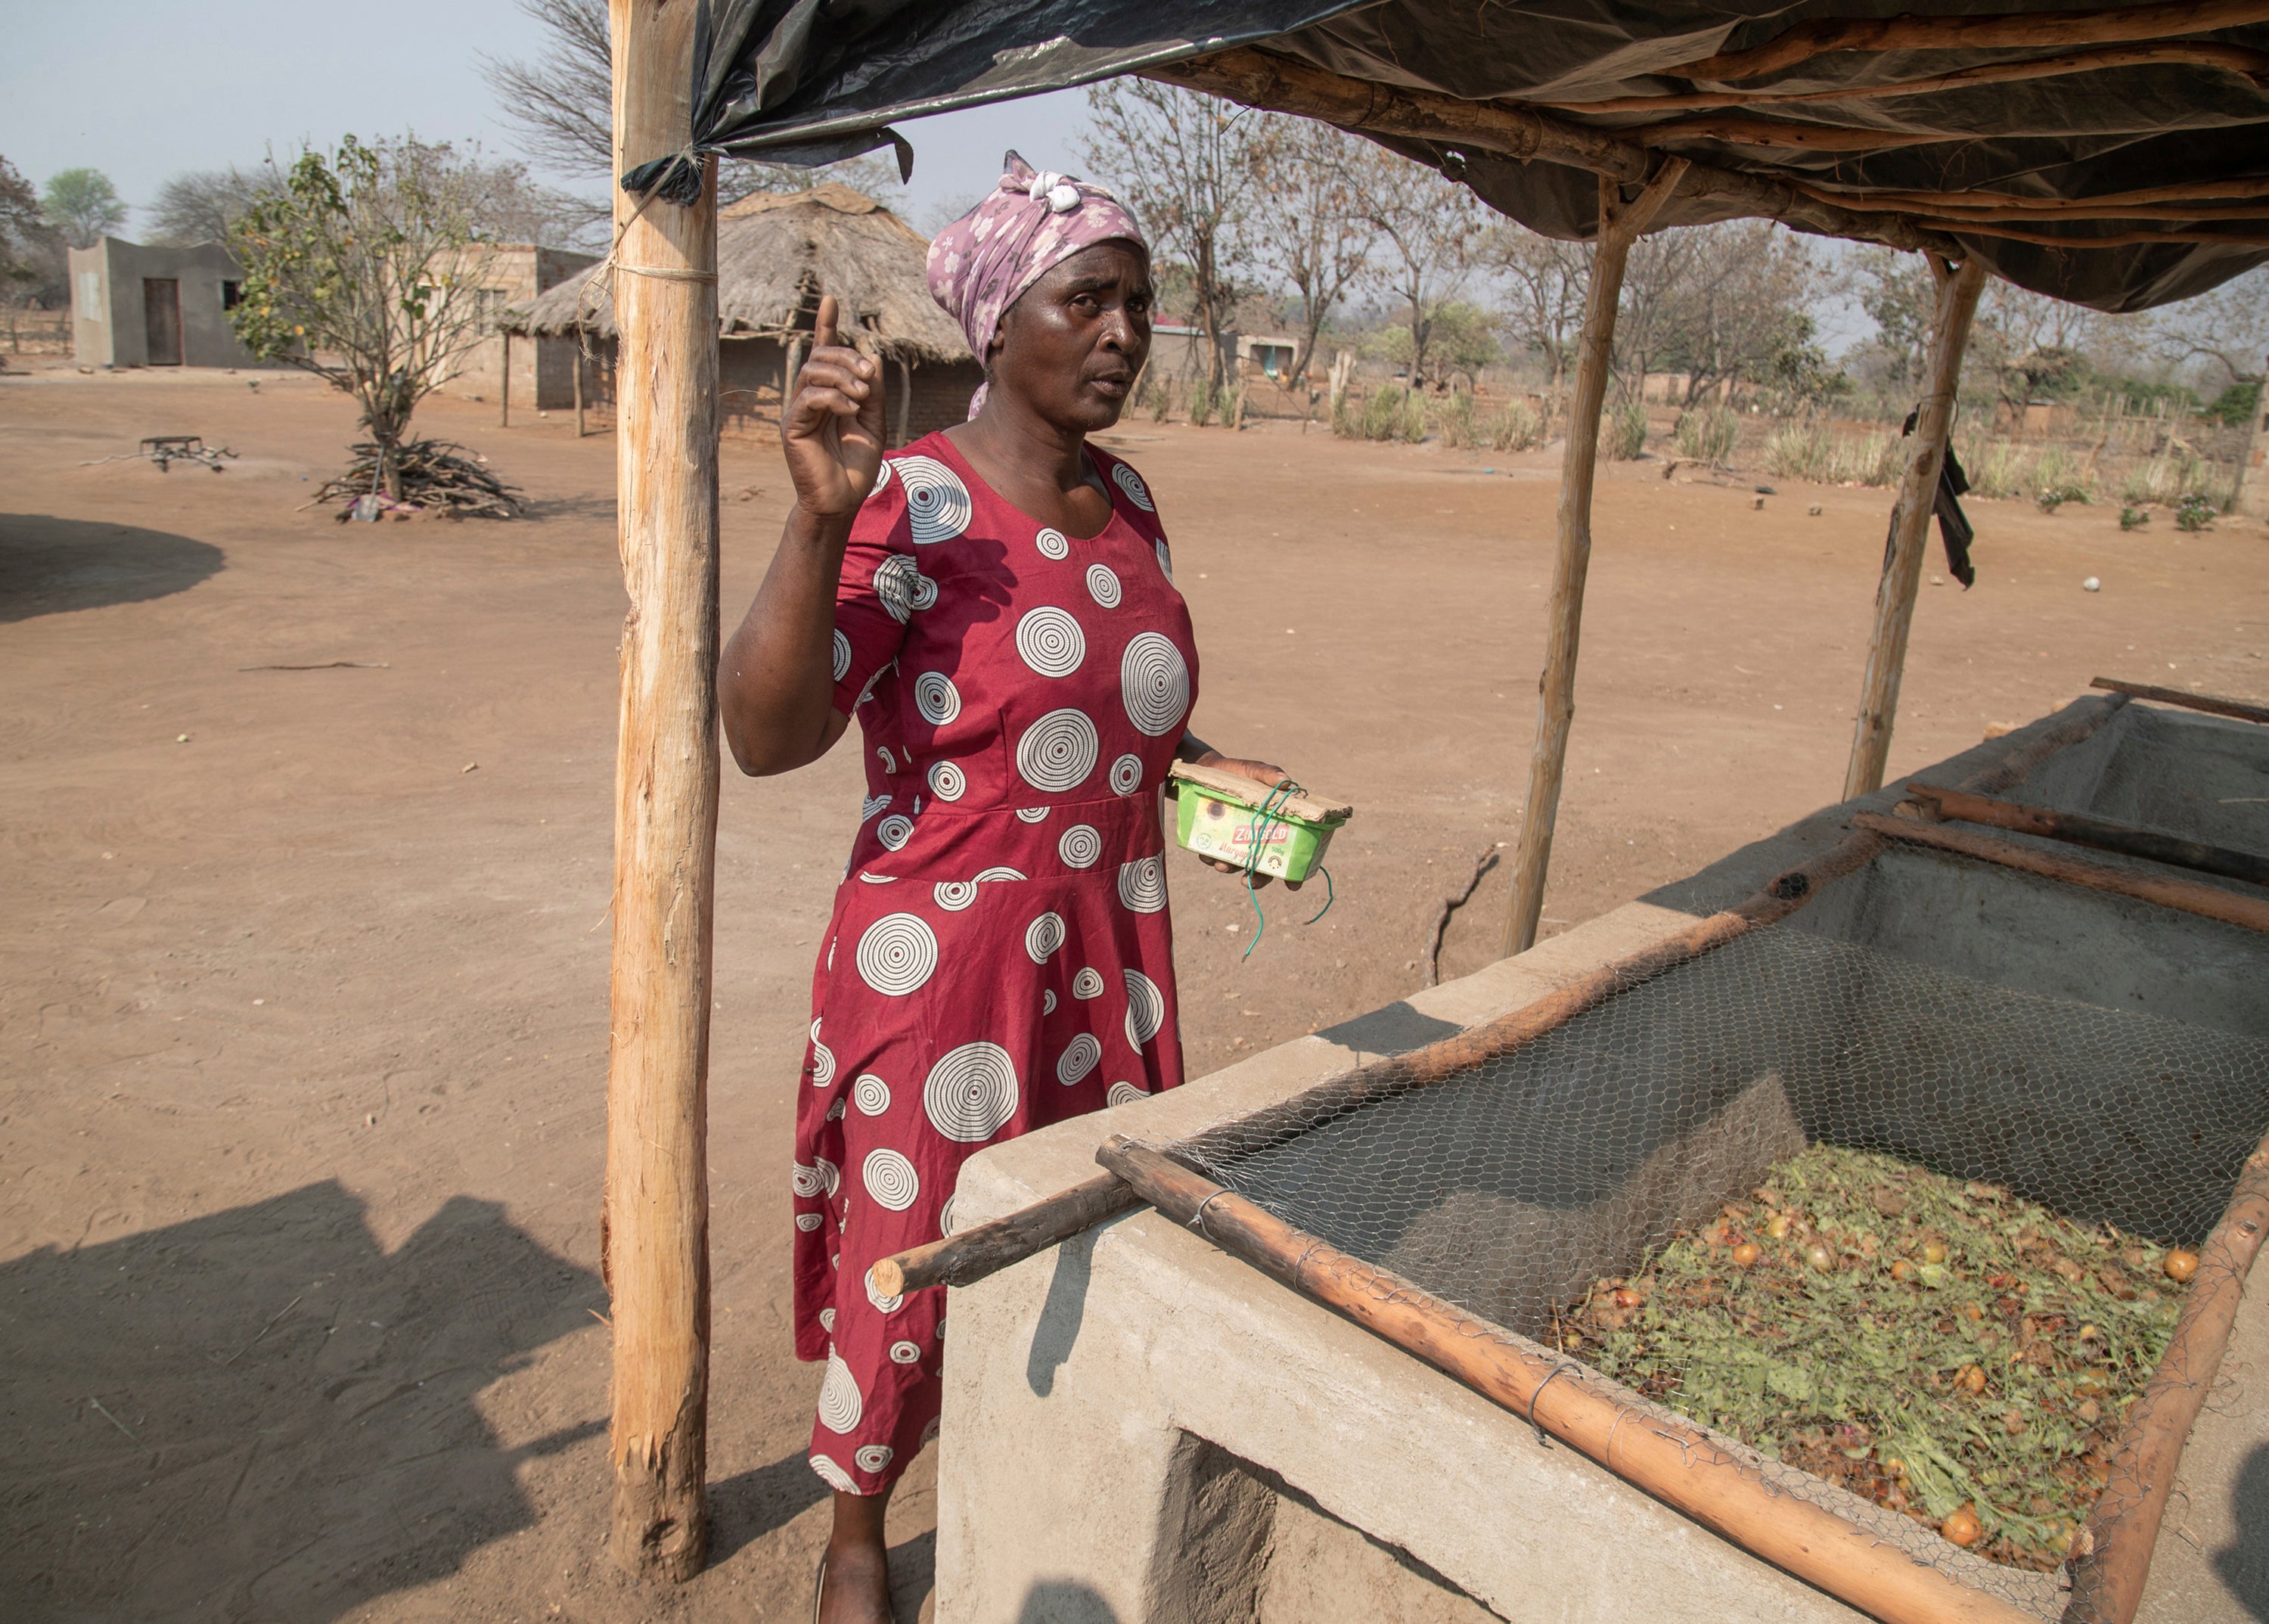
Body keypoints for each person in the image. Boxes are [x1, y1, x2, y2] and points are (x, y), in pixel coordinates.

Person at [719, 153, 1298, 1623]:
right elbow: (769, 737)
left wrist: (1211, 772)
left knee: (1078, 1240)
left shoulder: (1134, 502)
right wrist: (818, 518)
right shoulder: (910, 503)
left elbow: (1099, 700)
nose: (1123, 333)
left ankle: (1021, 1480)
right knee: (908, 1259)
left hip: (1108, 961)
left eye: (1139, 305)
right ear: (997, 320)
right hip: (946, 974)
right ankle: (857, 1535)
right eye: (1086, 300)